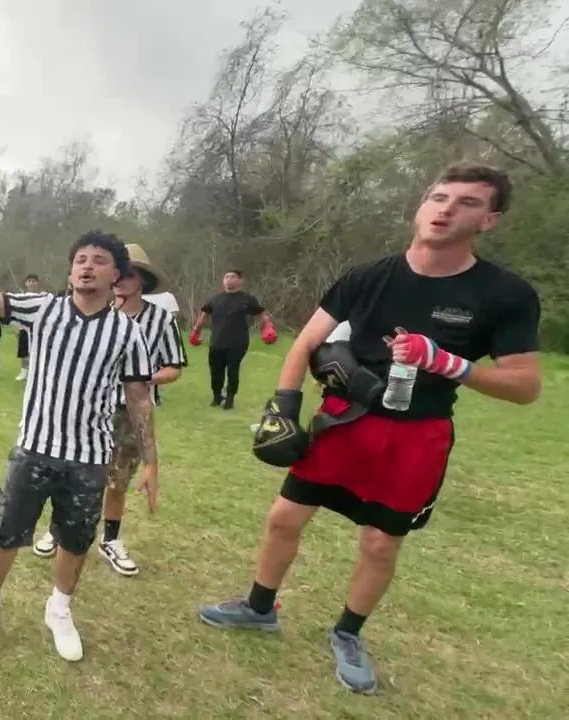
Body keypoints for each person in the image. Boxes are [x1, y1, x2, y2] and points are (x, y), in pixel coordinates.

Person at [198, 163, 542, 695]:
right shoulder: (368, 276)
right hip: (344, 417)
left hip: (417, 433)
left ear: (490, 220)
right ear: (421, 206)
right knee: (284, 517)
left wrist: (449, 364)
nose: (446, 209)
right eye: (438, 196)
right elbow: (306, 342)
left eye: (468, 202)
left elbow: (525, 386)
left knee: (380, 543)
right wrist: (284, 406)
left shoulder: (504, 293)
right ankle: (259, 606)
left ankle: (348, 634)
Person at [0, 231, 156, 662]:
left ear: (116, 274)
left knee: (74, 541)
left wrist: (151, 462)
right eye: (80, 259)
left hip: (89, 458)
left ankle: (59, 611)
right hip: (34, 449)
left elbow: (138, 399)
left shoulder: (127, 334)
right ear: (70, 270)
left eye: (98, 260)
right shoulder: (43, 309)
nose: (87, 266)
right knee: (6, 533)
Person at [31, 243, 186, 576]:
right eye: (120, 273)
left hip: (128, 413)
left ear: (142, 280)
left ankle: (111, 539)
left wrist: (141, 377)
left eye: (130, 274)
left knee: (118, 479)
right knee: (71, 472)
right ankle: (58, 530)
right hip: (86, 408)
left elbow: (174, 367)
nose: (122, 280)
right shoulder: (93, 313)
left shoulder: (159, 320)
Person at [189, 269, 275, 409]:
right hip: (217, 341)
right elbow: (204, 315)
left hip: (238, 342)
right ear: (223, 281)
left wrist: (266, 328)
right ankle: (217, 396)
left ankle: (230, 399)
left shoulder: (247, 299)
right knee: (215, 371)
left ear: (240, 280)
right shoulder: (215, 299)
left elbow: (261, 314)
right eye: (226, 277)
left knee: (232, 370)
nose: (229, 279)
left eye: (232, 277)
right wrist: (196, 332)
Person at [15, 273, 41, 381]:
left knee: (36, 351)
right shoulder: (22, 297)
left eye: (33, 281)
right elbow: (17, 313)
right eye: (29, 281)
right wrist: (17, 327)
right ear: (26, 283)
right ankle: (24, 371)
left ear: (37, 283)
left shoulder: (42, 297)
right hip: (23, 328)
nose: (31, 283)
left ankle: (35, 372)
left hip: (36, 329)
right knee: (23, 352)